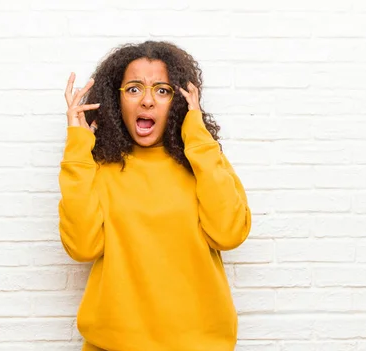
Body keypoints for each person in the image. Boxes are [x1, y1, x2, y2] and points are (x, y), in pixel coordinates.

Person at [58, 40, 251, 351]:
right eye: (134, 89)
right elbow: (82, 247)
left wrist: (197, 136)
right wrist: (78, 148)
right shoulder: (98, 169)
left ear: (178, 101)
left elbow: (229, 234)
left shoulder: (203, 163)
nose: (147, 101)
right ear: (115, 99)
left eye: (162, 90)